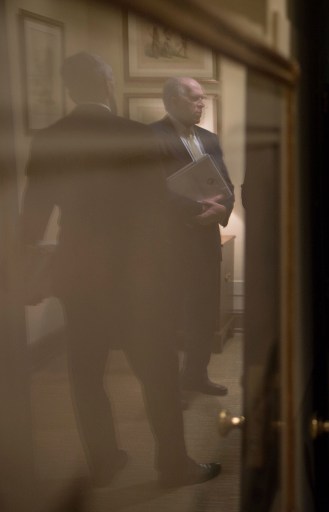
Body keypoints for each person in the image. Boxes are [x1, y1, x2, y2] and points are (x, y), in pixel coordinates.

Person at [19, 52, 221, 487]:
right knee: (158, 371)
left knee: (86, 372)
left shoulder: (49, 138)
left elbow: (32, 220)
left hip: (79, 272)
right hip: (136, 274)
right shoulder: (133, 134)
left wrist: (26, 270)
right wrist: (197, 209)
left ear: (69, 89)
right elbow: (159, 198)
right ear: (108, 86)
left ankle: (105, 459)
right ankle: (172, 462)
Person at [151, 77, 234, 397]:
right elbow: (153, 191)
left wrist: (222, 210)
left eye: (203, 100)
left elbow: (224, 185)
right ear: (172, 100)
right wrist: (197, 207)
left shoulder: (209, 139)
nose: (202, 105)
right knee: (169, 317)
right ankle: (169, 387)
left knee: (203, 313)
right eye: (195, 99)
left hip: (205, 241)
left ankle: (197, 375)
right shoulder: (151, 137)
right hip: (170, 242)